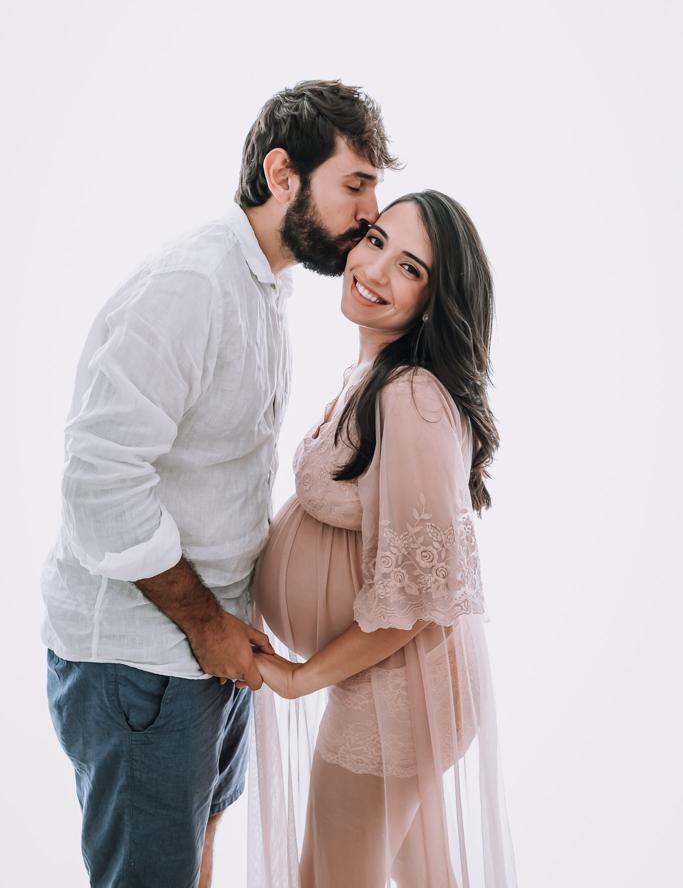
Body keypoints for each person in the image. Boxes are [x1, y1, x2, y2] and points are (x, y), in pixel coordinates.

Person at [41, 79, 398, 888]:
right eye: (354, 184)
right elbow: (99, 481)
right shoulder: (191, 287)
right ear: (282, 174)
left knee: (198, 859)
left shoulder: (262, 288)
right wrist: (206, 626)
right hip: (144, 660)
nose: (369, 213)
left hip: (213, 649)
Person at [250, 191, 518, 887]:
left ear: (433, 301)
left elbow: (421, 598)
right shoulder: (375, 378)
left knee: (328, 878)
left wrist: (300, 677)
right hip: (396, 687)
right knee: (424, 876)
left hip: (398, 693)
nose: (373, 269)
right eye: (375, 240)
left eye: (408, 268)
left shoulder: (411, 398)